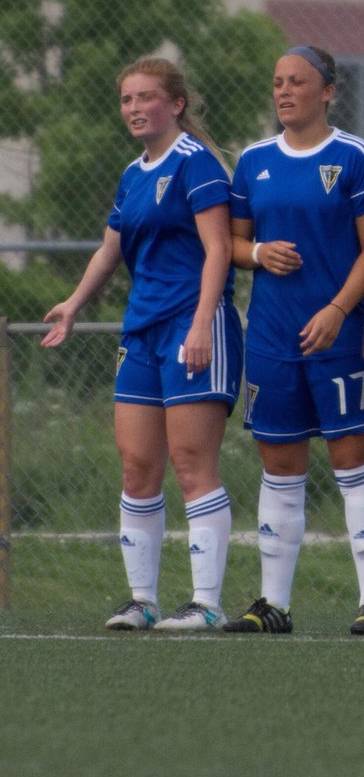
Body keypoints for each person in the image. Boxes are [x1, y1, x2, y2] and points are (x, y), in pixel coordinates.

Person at [42, 56, 243, 631]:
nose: (134, 108)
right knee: (136, 466)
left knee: (190, 462)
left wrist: (203, 322)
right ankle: (142, 600)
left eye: (146, 97)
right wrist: (74, 305)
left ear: (174, 103)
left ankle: (206, 604)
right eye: (127, 99)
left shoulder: (196, 165)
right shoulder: (134, 174)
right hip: (142, 330)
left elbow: (219, 251)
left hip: (193, 325)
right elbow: (111, 249)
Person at [223, 45, 364, 635]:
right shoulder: (253, 161)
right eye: (277, 82)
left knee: (353, 462)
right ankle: (274, 604)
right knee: (281, 467)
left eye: (297, 81)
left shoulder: (354, 156)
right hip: (271, 334)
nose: (284, 91)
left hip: (337, 334)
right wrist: (259, 253)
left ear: (328, 91)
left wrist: (340, 308)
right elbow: (233, 246)